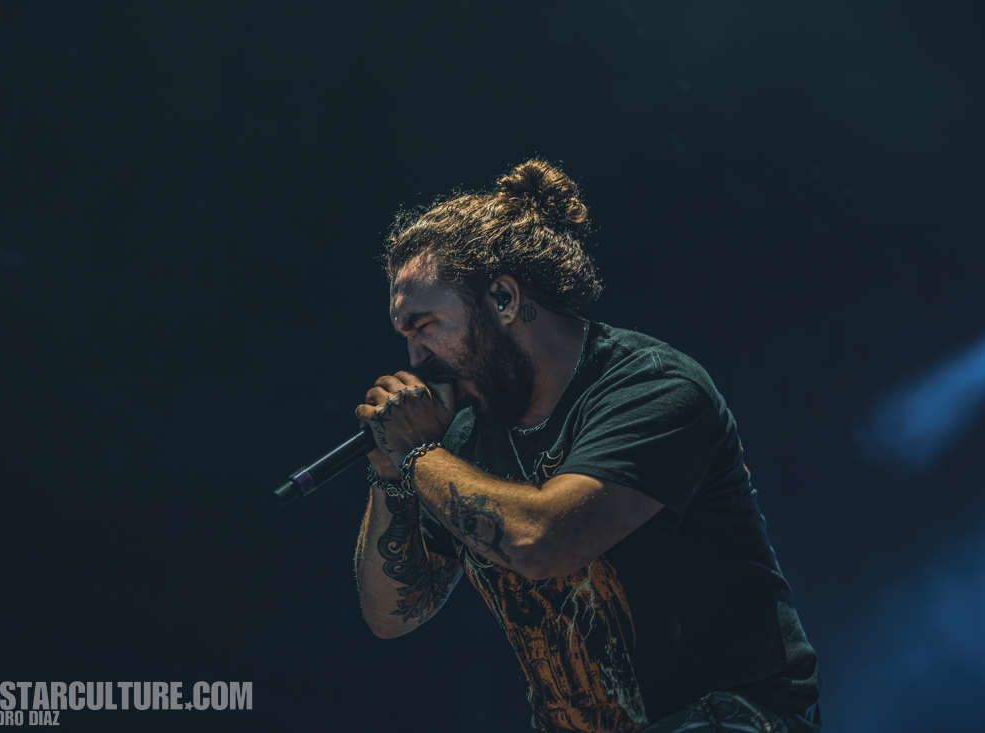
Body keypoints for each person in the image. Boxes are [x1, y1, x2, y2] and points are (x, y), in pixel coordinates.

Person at [352, 160, 821, 733]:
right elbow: (393, 615)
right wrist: (387, 473)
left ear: (502, 298)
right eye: (405, 337)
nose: (414, 359)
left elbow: (542, 541)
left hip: (723, 716)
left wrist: (417, 454)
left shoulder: (651, 387)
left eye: (423, 326)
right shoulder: (465, 439)